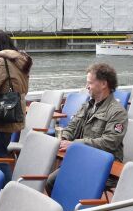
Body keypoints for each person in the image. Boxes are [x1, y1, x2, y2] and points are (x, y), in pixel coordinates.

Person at [45, 63, 128, 195]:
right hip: (83, 158)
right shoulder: (87, 105)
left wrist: (75, 144)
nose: (86, 86)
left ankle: (79, 208)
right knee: (52, 181)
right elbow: (72, 126)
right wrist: (63, 138)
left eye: (90, 83)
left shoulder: (117, 112)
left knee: (56, 182)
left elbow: (109, 142)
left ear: (103, 84)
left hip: (103, 166)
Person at [0, 30, 32, 185]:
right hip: (17, 109)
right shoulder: (21, 59)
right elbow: (24, 87)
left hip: (5, 111)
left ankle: (9, 188)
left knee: (0, 154)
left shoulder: (2, 61)